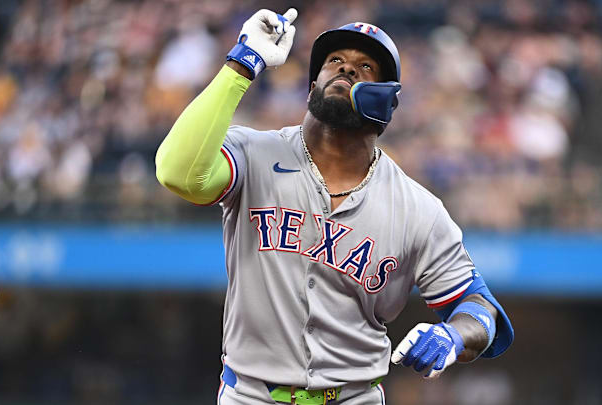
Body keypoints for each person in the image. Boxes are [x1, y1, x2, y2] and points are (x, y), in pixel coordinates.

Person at [155, 8, 513, 405]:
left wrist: (453, 335)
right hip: (250, 395)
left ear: (387, 102)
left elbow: (481, 309)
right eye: (334, 62)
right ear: (311, 88)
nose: (346, 70)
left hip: (353, 397)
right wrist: (241, 64)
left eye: (365, 66)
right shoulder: (254, 152)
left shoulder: (417, 208)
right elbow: (177, 172)